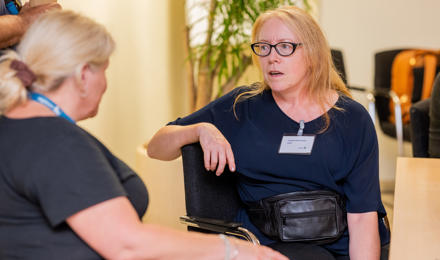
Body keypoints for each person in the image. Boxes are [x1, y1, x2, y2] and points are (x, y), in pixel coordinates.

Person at [0, 10, 287, 260]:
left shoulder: (16, 126)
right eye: (105, 71)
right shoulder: (56, 142)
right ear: (84, 75)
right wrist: (237, 251)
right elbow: (126, 244)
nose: (106, 84)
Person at [147, 5, 390, 260]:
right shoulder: (241, 106)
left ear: (313, 53)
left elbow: (363, 218)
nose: (272, 58)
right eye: (263, 47)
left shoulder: (352, 118)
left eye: (285, 46)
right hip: (266, 245)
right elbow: (156, 147)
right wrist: (200, 130)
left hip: (341, 245)